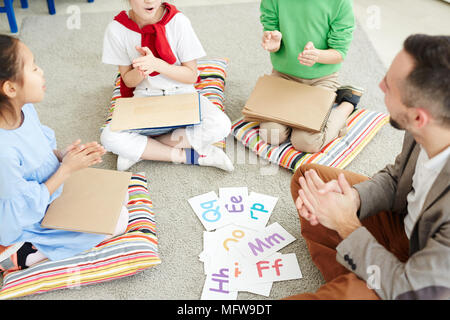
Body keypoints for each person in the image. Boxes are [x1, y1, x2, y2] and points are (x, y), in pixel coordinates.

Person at [288, 34, 450, 299]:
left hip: (416, 284)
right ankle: (361, 280)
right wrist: (353, 199)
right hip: (404, 228)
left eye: (389, 85)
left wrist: (346, 224)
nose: (380, 85)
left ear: (419, 117)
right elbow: (399, 178)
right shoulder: (429, 126)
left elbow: (409, 290)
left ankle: (361, 285)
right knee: (310, 178)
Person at [0, 35, 127, 271]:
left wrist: (62, 156)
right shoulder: (3, 152)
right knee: (118, 219)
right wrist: (67, 169)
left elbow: (38, 151)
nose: (42, 71)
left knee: (120, 196)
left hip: (49, 190)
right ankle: (28, 252)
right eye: (33, 67)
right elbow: (18, 211)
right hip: (27, 218)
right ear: (10, 88)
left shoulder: (24, 108)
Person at [101, 0, 234, 172]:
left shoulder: (178, 22)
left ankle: (144, 149)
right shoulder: (117, 29)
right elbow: (127, 80)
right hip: (146, 97)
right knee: (108, 137)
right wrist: (141, 70)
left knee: (221, 125)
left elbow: (191, 75)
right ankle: (191, 157)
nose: (149, 1)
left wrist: (156, 65)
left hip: (182, 94)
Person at [259, 0, 364, 153]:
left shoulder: (340, 3)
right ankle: (314, 110)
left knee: (306, 142)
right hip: (284, 77)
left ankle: (347, 103)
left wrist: (317, 55)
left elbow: (339, 52)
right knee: (271, 135)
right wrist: (274, 43)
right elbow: (270, 29)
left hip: (321, 79)